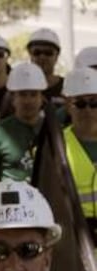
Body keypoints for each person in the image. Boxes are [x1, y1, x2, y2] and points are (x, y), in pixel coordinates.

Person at [0, 62, 47, 188]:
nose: (28, 101)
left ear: (42, 97)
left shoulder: (53, 129)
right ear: (13, 98)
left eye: (34, 94)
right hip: (13, 203)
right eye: (22, 94)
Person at [62, 67, 97, 248]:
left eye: (94, 103)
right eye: (80, 104)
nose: (88, 110)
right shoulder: (55, 147)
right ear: (67, 104)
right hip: (75, 247)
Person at [27, 27, 64, 108]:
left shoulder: (68, 87)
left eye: (48, 53)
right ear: (30, 54)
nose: (42, 57)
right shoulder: (19, 87)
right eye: (37, 52)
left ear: (57, 56)